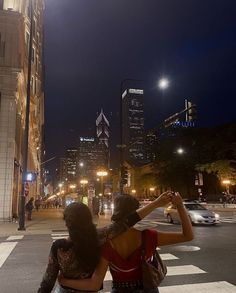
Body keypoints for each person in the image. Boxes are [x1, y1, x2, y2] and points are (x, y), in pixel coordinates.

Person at [38, 192, 173, 293]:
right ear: (89, 219)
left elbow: (47, 282)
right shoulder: (98, 238)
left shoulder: (59, 247)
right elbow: (127, 222)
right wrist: (156, 203)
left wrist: (63, 281)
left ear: (67, 222)